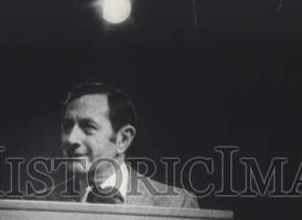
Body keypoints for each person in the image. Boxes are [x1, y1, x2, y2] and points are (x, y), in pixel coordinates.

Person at [48, 82, 199, 208]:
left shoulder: (177, 204)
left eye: (88, 127)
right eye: (67, 127)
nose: (71, 139)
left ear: (123, 140)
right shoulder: (36, 204)